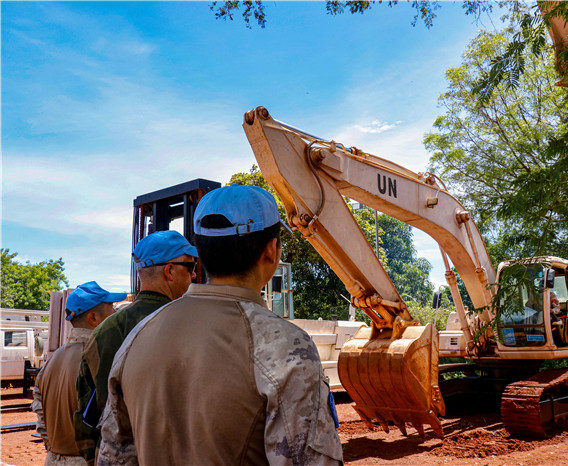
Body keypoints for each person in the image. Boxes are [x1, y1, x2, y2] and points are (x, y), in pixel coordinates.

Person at [99, 185, 343, 465]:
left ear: (201, 253)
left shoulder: (137, 337)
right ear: (271, 250)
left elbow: (114, 455)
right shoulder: (285, 345)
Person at [74, 230, 198, 464]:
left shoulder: (105, 331)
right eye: (190, 267)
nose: (193, 276)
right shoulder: (192, 322)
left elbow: (86, 410)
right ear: (170, 271)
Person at [32, 281, 124, 466]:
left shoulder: (52, 360)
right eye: (111, 308)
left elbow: (40, 416)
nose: (115, 314)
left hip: (52, 458)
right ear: (93, 318)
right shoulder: (99, 358)